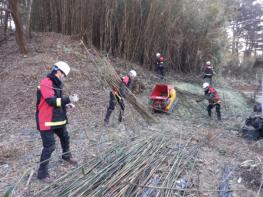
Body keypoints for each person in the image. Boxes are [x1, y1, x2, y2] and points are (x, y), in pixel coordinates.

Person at [36, 61, 79, 182]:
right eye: (64, 75)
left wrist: (67, 104)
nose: (64, 78)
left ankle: (66, 156)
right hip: (46, 121)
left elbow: (58, 102)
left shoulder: (56, 84)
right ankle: (42, 174)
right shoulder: (46, 83)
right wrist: (68, 99)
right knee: (49, 146)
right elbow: (51, 101)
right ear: (58, 72)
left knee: (65, 137)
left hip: (57, 120)